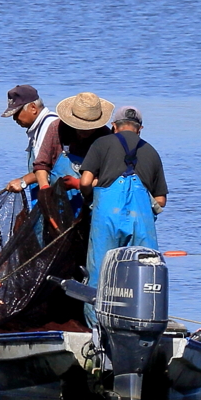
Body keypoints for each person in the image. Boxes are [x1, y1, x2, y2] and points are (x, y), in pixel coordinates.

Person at [79, 106, 168, 325]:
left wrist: (93, 192)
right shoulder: (152, 152)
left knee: (101, 271)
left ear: (113, 127)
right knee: (146, 271)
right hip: (141, 220)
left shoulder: (101, 144)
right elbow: (161, 200)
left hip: (107, 217)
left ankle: (96, 327)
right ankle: (142, 323)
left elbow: (84, 182)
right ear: (140, 129)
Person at [32, 92, 113, 195]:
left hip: (92, 200)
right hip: (59, 199)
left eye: (89, 127)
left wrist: (79, 184)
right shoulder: (56, 128)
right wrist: (44, 187)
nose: (85, 130)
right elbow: (41, 165)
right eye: (80, 126)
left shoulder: (105, 136)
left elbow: (110, 178)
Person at [1, 85, 58, 193]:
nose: (14, 118)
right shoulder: (38, 127)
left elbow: (50, 169)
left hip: (58, 196)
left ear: (33, 108)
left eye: (17, 113)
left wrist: (23, 181)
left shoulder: (49, 126)